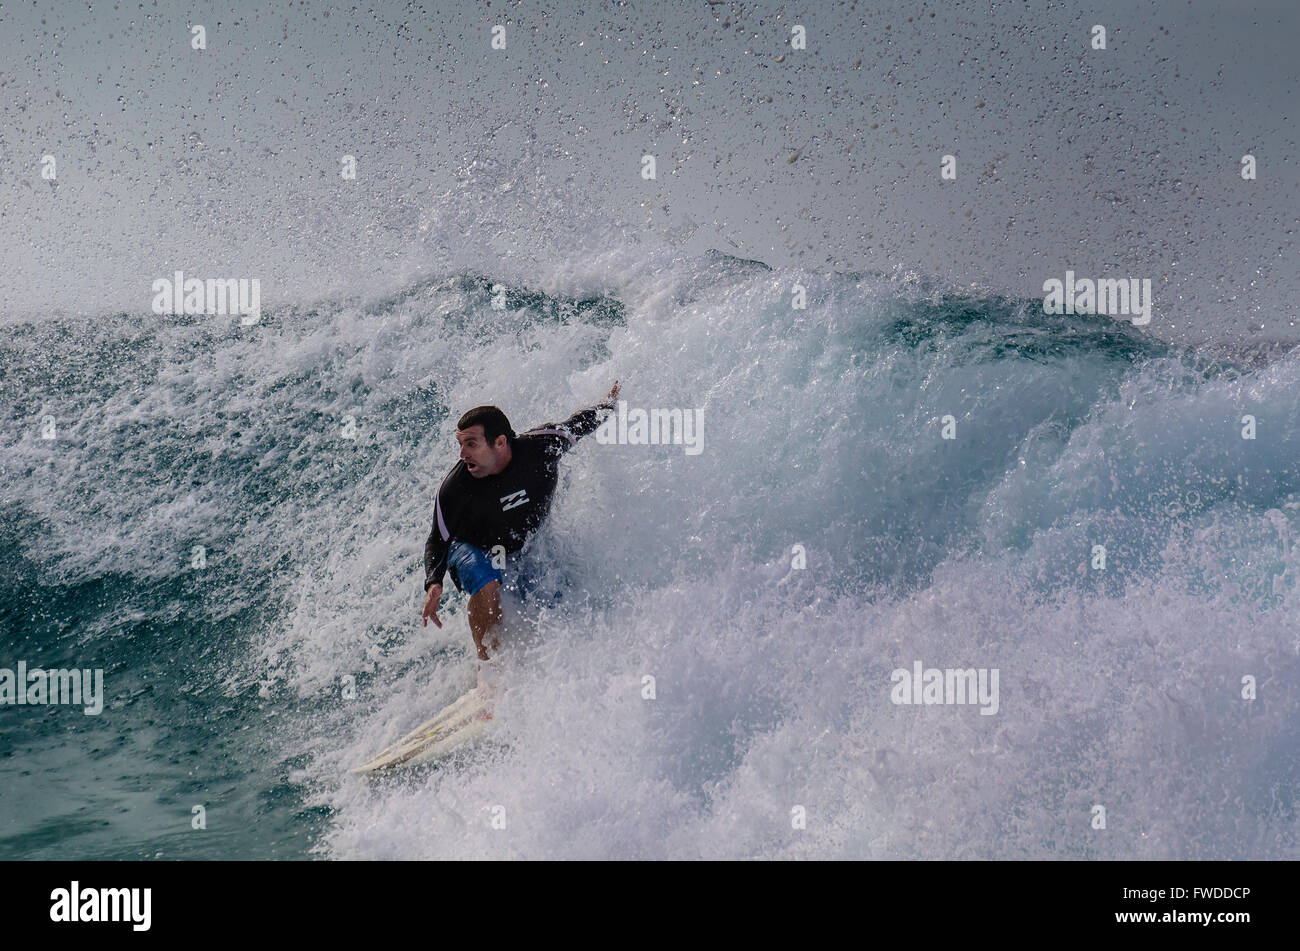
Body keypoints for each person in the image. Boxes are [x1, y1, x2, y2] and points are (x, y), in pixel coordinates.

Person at [421, 382, 620, 667]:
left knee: (555, 606)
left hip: (523, 547)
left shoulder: (541, 447)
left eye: (471, 444)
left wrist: (611, 404)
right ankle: (488, 668)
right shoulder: (456, 487)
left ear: (500, 442)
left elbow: (580, 424)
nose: (463, 454)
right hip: (472, 548)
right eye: (461, 444)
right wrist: (434, 583)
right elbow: (437, 539)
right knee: (487, 580)